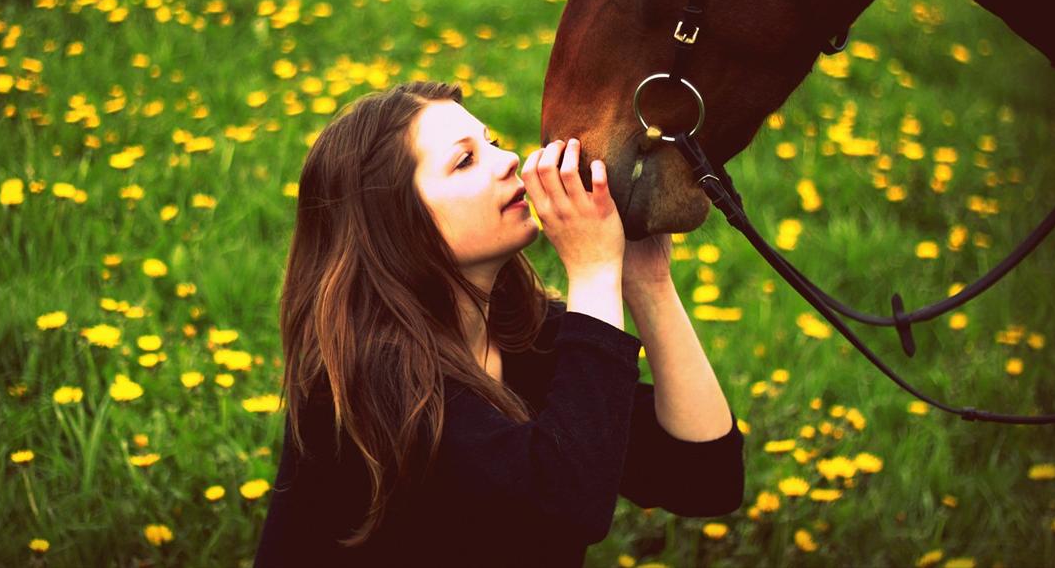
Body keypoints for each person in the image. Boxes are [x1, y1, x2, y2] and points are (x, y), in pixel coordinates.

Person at [254, 80, 743, 567]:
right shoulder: (371, 382)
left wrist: (649, 282)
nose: (509, 159)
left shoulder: (523, 335)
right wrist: (593, 271)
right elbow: (567, 507)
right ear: (393, 224)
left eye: (491, 142)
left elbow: (707, 480)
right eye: (465, 160)